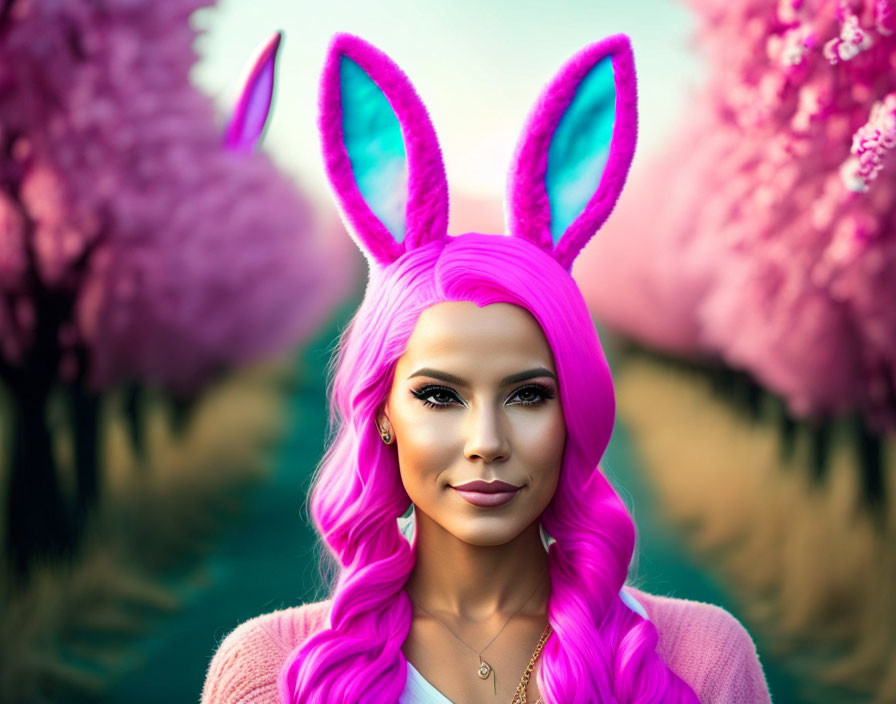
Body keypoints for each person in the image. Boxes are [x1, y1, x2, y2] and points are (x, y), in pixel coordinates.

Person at [201, 32, 773, 704]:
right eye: (440, 397)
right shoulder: (269, 674)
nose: (487, 442)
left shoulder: (699, 660)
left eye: (528, 396)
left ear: (574, 413)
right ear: (382, 414)